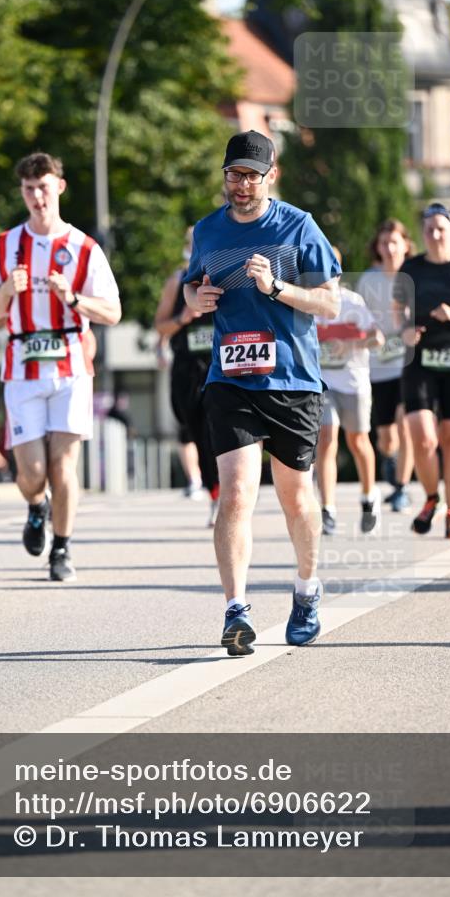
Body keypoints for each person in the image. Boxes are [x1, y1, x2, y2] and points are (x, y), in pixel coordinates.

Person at [183, 130, 341, 654]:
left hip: (292, 379)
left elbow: (330, 304)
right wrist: (198, 297)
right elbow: (190, 284)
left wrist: (277, 288)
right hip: (230, 378)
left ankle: (306, 588)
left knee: (297, 499)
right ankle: (236, 611)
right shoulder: (208, 231)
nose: (242, 185)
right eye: (234, 175)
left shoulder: (299, 226)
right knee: (236, 492)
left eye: (252, 175)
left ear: (270, 176)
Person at [0, 150, 121, 582]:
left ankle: (61, 549)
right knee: (31, 473)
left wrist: (74, 299)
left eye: (44, 187)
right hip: (22, 367)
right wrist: (8, 288)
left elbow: (113, 312)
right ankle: (35, 505)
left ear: (58, 187)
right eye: (29, 189)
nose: (37, 197)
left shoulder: (84, 248)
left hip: (70, 367)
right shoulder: (5, 245)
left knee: (63, 466)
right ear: (22, 192)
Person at [393, 202, 450, 540]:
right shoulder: (411, 268)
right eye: (429, 229)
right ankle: (432, 497)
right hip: (419, 359)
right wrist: (403, 329)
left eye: (441, 229)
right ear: (423, 233)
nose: (434, 234)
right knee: (422, 435)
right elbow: (397, 310)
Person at [316, 247, 385, 535]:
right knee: (327, 439)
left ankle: (369, 498)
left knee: (357, 442)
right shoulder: (308, 304)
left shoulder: (352, 302)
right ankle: (328, 509)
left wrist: (352, 343)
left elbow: (377, 338)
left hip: (353, 381)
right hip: (323, 383)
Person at [155, 226, 219, 525]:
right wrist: (182, 318)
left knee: (220, 430)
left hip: (220, 365)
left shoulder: (223, 276)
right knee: (196, 432)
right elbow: (161, 326)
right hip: (187, 368)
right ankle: (214, 491)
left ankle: (226, 492)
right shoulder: (176, 282)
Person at [357, 219, 415, 511]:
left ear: (406, 244)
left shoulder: (417, 273)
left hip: (410, 365)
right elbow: (361, 319)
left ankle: (402, 487)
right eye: (384, 243)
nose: (390, 248)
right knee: (386, 437)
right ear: (377, 248)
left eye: (395, 242)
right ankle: (391, 465)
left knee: (408, 425)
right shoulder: (369, 279)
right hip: (379, 366)